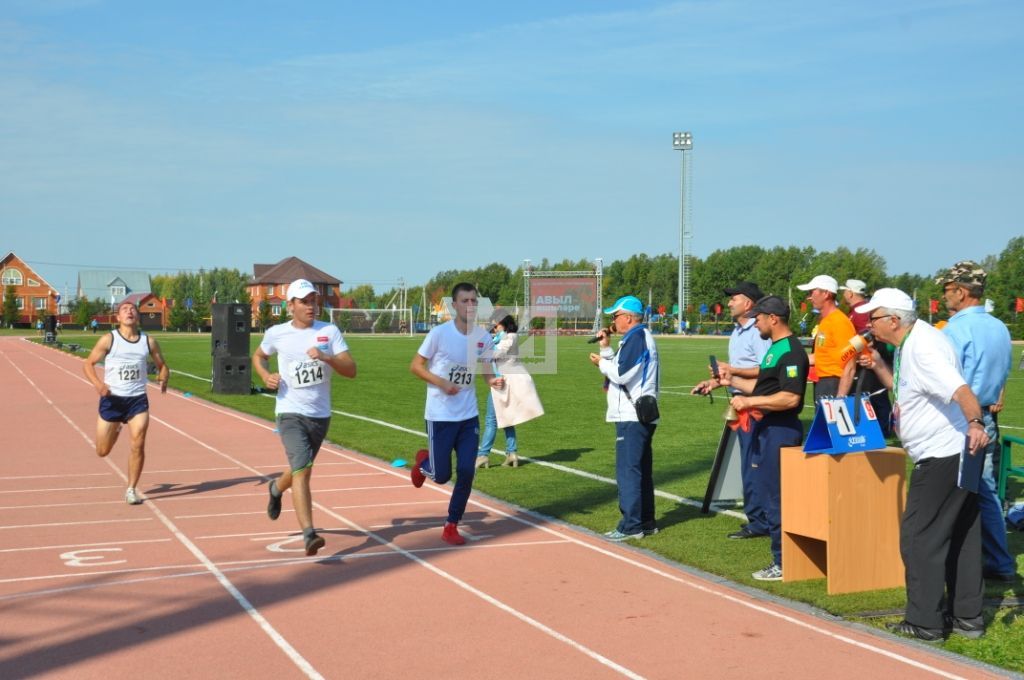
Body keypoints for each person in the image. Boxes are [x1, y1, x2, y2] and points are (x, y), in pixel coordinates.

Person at [856, 288, 990, 640]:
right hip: (956, 452)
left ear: (894, 320)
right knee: (961, 535)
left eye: (873, 318)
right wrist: (881, 366)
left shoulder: (923, 348)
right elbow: (907, 393)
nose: (869, 324)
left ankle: (925, 622)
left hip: (943, 453)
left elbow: (959, 390)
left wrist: (976, 423)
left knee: (919, 537)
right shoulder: (914, 342)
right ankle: (968, 617)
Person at [253, 279, 357, 556]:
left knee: (301, 467)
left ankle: (276, 488)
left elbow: (351, 369)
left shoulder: (329, 331)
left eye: (313, 300)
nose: (311, 305)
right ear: (291, 306)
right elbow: (259, 356)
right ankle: (309, 533)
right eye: (304, 301)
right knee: (303, 469)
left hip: (320, 415)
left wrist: (328, 358)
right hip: (289, 411)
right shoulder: (277, 333)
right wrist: (266, 376)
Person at [713, 296, 809, 580]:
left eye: (760, 317)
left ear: (774, 319)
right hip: (768, 429)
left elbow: (790, 397)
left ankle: (784, 562)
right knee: (771, 496)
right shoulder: (776, 349)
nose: (755, 322)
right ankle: (783, 558)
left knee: (777, 498)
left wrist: (750, 403)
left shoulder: (791, 351)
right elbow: (764, 386)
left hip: (779, 430)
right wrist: (730, 382)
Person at [938, 261, 1014, 583]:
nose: (943, 296)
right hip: (987, 417)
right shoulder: (1000, 327)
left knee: (959, 490)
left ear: (962, 291)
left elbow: (947, 378)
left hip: (962, 419)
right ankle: (995, 558)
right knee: (984, 490)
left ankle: (988, 559)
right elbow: (1003, 372)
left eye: (947, 289)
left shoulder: (955, 329)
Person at [410, 282, 503, 545]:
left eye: (474, 300)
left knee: (466, 471)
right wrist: (441, 383)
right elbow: (415, 366)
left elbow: (485, 366)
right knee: (441, 476)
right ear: (454, 305)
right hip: (439, 415)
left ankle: (451, 524)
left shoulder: (483, 337)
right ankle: (423, 464)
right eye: (465, 301)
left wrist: (490, 381)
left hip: (467, 416)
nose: (470, 305)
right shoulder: (439, 334)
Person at [692, 281, 772, 539]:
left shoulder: (757, 332)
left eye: (733, 298)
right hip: (740, 403)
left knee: (754, 465)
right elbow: (732, 373)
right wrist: (713, 383)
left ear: (748, 303)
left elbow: (767, 369)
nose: (728, 303)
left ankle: (761, 521)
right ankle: (756, 516)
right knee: (748, 464)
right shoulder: (737, 332)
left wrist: (733, 372)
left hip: (756, 405)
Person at [83, 300, 170, 505]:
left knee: (138, 443)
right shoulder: (108, 339)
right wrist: (98, 384)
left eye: (133, 309)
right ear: (118, 318)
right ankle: (117, 429)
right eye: (124, 309)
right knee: (102, 451)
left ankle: (131, 489)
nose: (129, 311)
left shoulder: (148, 342)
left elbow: (163, 365)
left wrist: (163, 377)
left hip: (137, 400)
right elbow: (88, 364)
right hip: (112, 399)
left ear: (137, 317)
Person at [589, 295, 660, 541]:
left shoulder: (637, 337)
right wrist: (605, 348)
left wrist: (601, 363)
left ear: (628, 318)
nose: (614, 320)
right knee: (640, 469)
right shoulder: (634, 337)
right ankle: (646, 521)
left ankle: (631, 525)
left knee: (628, 471)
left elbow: (621, 373)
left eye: (616, 316)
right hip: (638, 412)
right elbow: (620, 369)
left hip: (632, 415)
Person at [475, 313, 544, 469]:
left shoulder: (509, 337)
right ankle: (511, 453)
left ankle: (483, 455)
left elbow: (495, 353)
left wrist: (480, 347)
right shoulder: (503, 337)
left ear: (503, 323)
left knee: (491, 420)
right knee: (505, 418)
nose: (494, 328)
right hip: (503, 380)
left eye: (496, 325)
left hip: (504, 382)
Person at [837, 278, 893, 437]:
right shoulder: (858, 311)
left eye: (845, 291)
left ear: (850, 292)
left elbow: (867, 338)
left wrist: (859, 352)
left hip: (869, 369)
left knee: (873, 398)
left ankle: (882, 428)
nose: (844, 294)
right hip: (867, 365)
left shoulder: (860, 312)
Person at [796, 274, 857, 401]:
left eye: (812, 292)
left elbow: (850, 365)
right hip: (823, 383)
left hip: (834, 384)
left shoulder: (839, 322)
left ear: (826, 294)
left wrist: (840, 398)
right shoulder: (826, 321)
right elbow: (822, 356)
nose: (809, 297)